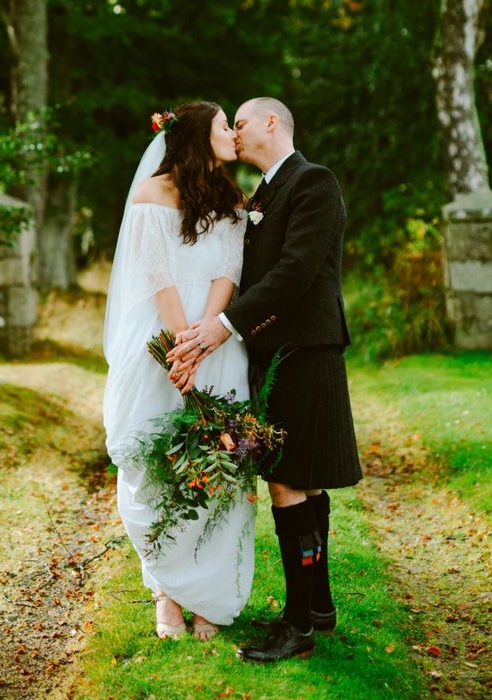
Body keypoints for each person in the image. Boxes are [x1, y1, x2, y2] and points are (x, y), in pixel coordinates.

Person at [169, 97, 363, 661]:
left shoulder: (314, 182)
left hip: (304, 350)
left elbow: (296, 270)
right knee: (304, 480)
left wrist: (222, 326)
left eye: (242, 122)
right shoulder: (264, 193)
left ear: (271, 123)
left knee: (287, 482)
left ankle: (297, 626)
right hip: (278, 351)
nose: (234, 133)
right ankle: (317, 606)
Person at [102, 102, 253, 641]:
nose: (233, 134)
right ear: (195, 135)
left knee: (220, 463)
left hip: (216, 341)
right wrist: (179, 346)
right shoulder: (149, 195)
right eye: (222, 126)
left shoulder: (233, 199)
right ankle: (167, 592)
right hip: (160, 338)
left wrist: (205, 334)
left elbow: (228, 270)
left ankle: (210, 596)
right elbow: (157, 276)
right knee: (155, 463)